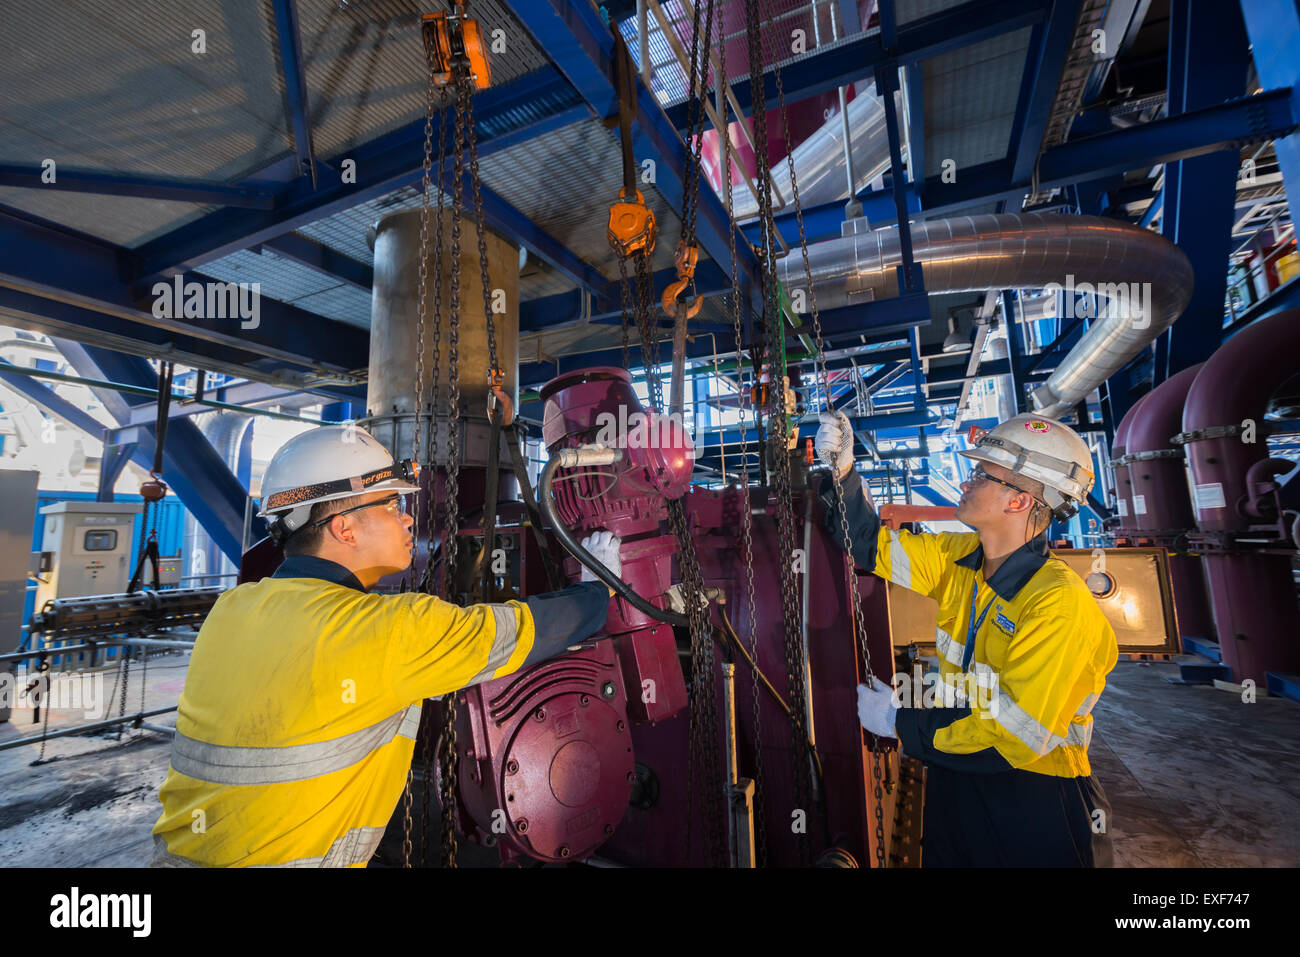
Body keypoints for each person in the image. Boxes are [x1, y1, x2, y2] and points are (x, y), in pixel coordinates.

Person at [151, 425, 622, 867]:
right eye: (391, 505)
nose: (407, 518)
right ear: (344, 528)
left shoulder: (231, 609)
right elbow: (521, 631)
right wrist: (602, 587)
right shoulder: (386, 630)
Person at [815, 411, 1117, 867]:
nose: (965, 483)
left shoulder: (1057, 605)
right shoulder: (961, 559)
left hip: (1033, 796)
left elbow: (1013, 736)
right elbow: (865, 544)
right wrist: (841, 472)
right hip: (957, 769)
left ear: (1018, 501)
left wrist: (900, 724)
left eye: (980, 475)